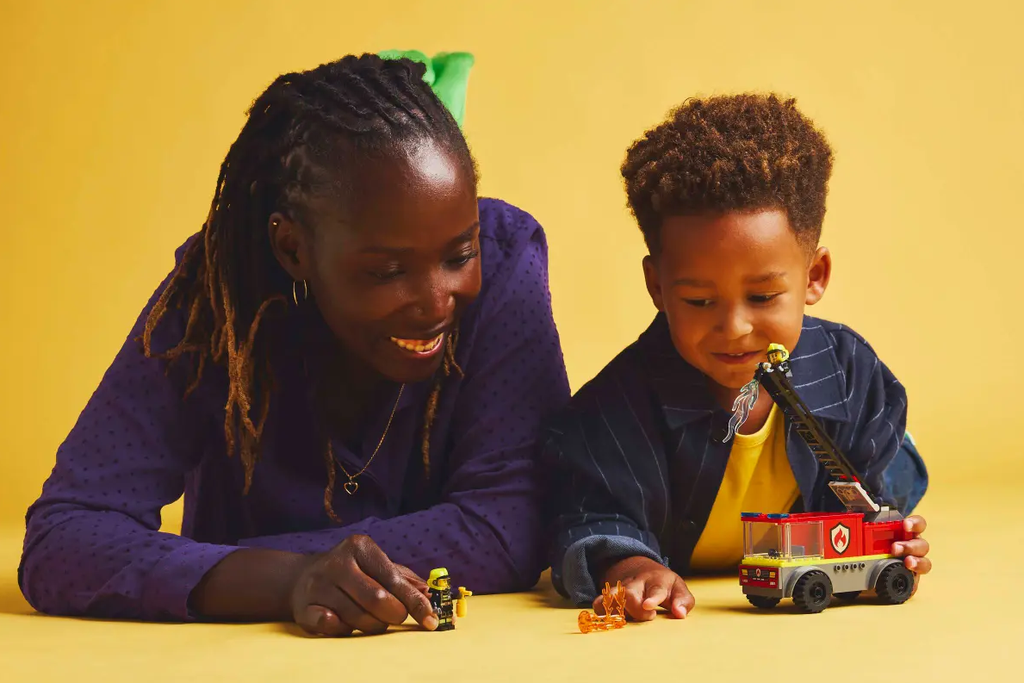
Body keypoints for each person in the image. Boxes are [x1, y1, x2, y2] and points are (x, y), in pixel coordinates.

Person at [18, 54, 569, 637]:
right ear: (293, 248)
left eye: (459, 256)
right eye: (386, 271)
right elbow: (64, 537)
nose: (436, 303)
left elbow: (512, 522)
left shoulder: (508, 259)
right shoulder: (219, 295)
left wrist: (238, 564)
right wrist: (289, 579)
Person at [544, 93, 931, 620]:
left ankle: (902, 452)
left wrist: (887, 540)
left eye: (764, 297)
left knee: (891, 475)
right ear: (656, 286)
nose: (735, 328)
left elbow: (860, 516)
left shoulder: (849, 370)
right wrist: (631, 563)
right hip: (656, 501)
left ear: (814, 277)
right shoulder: (614, 411)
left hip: (852, 450)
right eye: (700, 302)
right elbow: (594, 519)